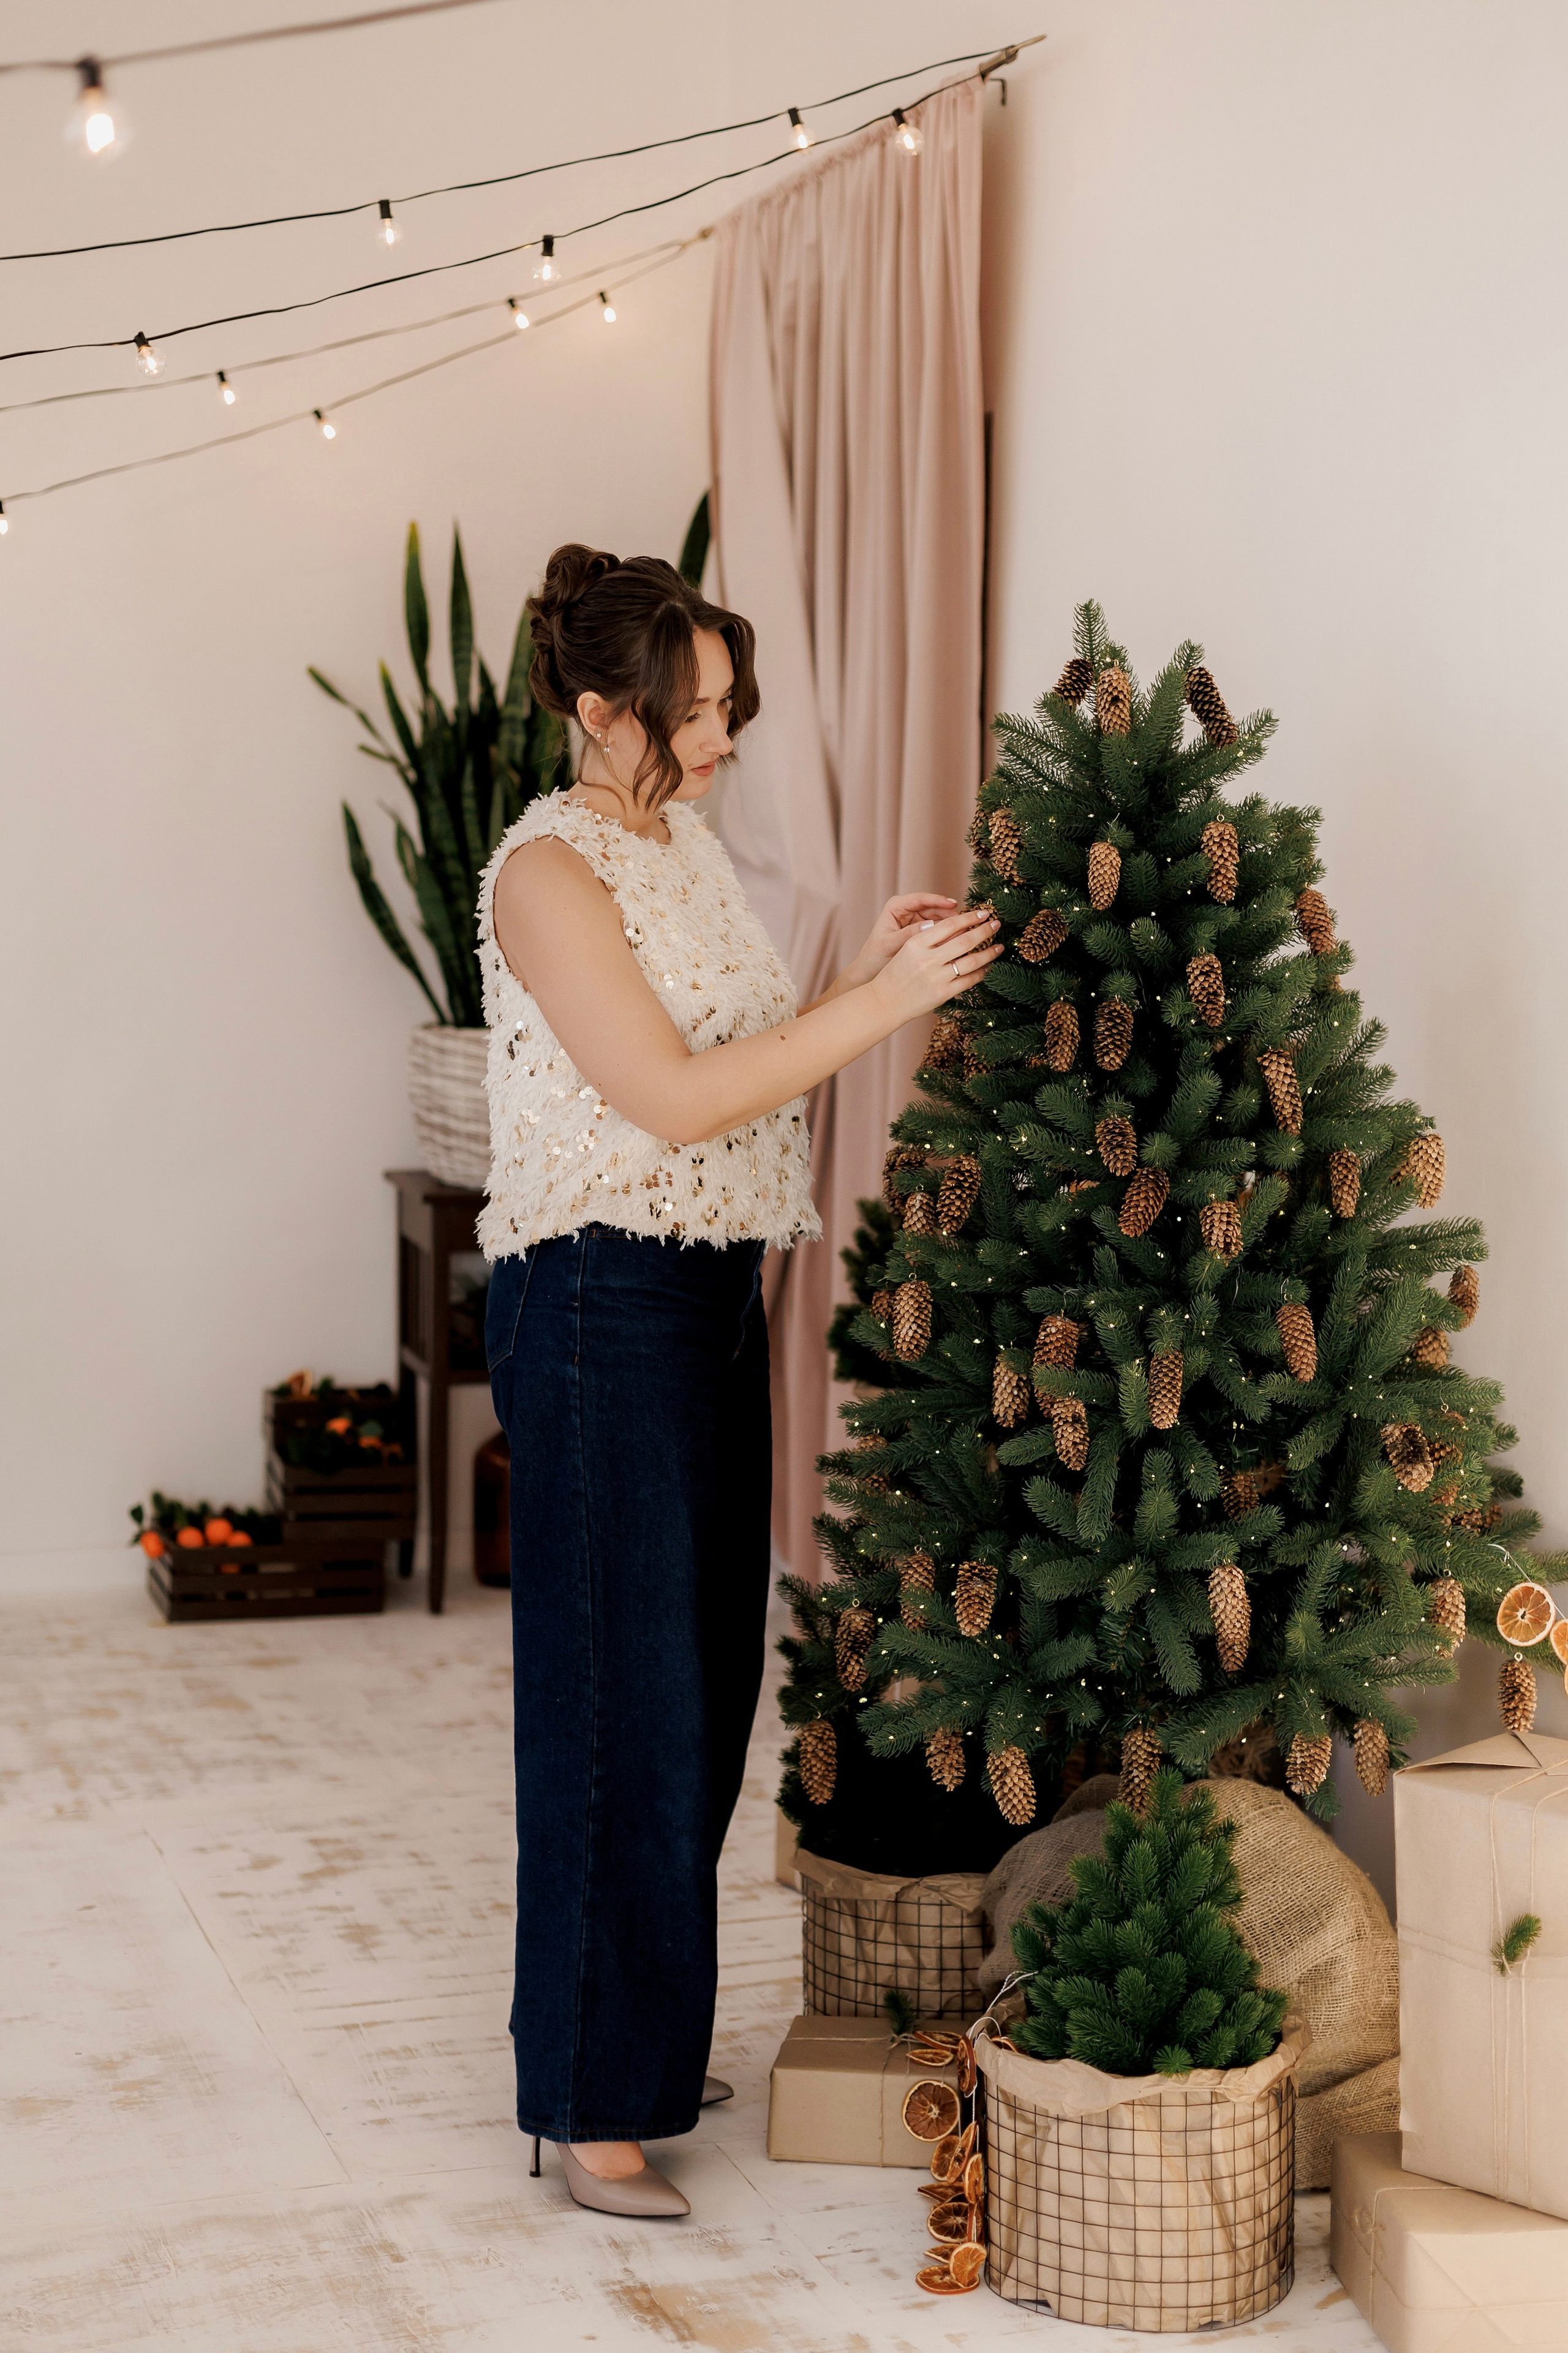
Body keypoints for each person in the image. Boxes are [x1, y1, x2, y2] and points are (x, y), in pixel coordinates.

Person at [479, 543, 1001, 2218]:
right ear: (598, 707)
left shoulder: (674, 844)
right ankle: (583, 2090)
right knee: (615, 1703)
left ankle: (634, 2025)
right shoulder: (546, 877)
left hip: (708, 1294)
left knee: (699, 1696)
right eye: (693, 716)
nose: (720, 744)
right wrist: (884, 1007)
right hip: (594, 1302)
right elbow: (676, 1095)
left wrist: (870, 974)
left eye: (724, 711)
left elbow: (747, 1039)